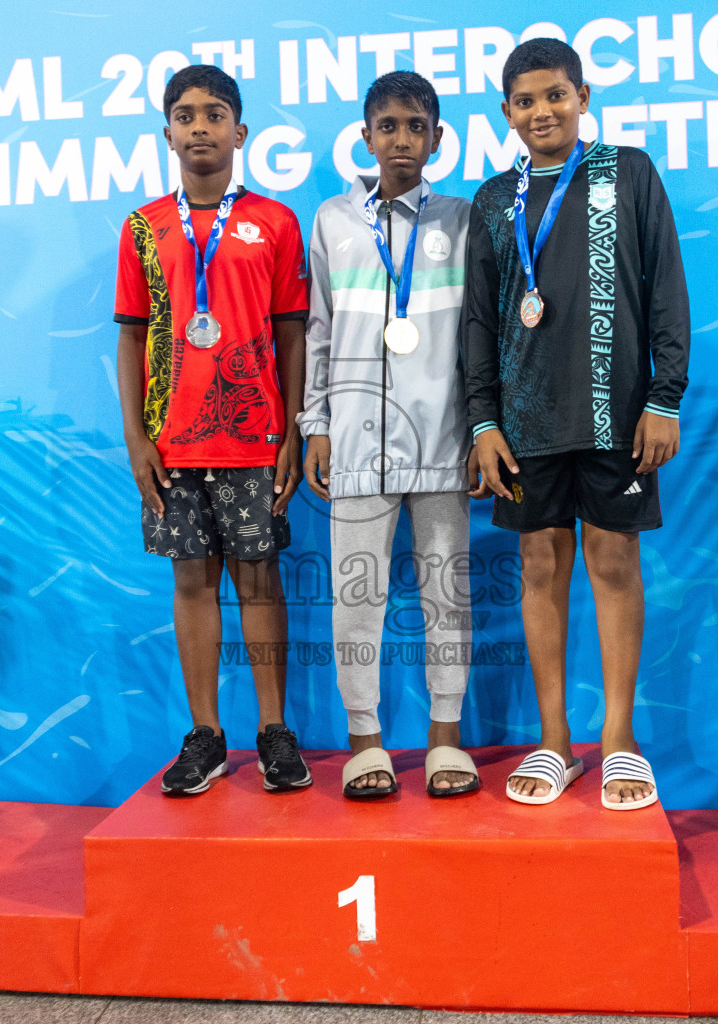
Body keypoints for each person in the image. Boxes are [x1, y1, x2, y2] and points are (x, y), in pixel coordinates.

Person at [462, 38, 690, 809]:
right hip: (525, 424)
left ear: (582, 96)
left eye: (555, 96)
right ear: (506, 113)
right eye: (524, 101)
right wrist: (483, 423)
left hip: (617, 414)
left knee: (615, 564)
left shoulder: (627, 172)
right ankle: (555, 740)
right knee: (539, 570)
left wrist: (664, 397)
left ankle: (619, 740)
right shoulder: (494, 201)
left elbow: (666, 290)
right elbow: (477, 323)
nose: (541, 112)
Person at [113, 64, 311, 796]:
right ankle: (205, 734)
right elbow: (133, 339)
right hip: (173, 444)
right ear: (167, 132)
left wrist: (293, 426)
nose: (200, 126)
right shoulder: (144, 228)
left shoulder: (277, 223)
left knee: (260, 582)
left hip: (256, 438)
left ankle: (273, 732)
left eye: (215, 113)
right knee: (191, 584)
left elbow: (291, 335)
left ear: (240, 131)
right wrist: (137, 438)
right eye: (186, 114)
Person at [300, 71, 478, 800]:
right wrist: (315, 424)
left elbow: (480, 338)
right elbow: (317, 330)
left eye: (416, 127)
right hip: (356, 443)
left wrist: (481, 429)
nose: (401, 140)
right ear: (366, 137)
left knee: (447, 592)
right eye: (388, 127)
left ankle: (445, 740)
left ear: (437, 138)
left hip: (443, 438)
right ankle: (365, 740)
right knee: (357, 594)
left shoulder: (464, 221)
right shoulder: (333, 222)